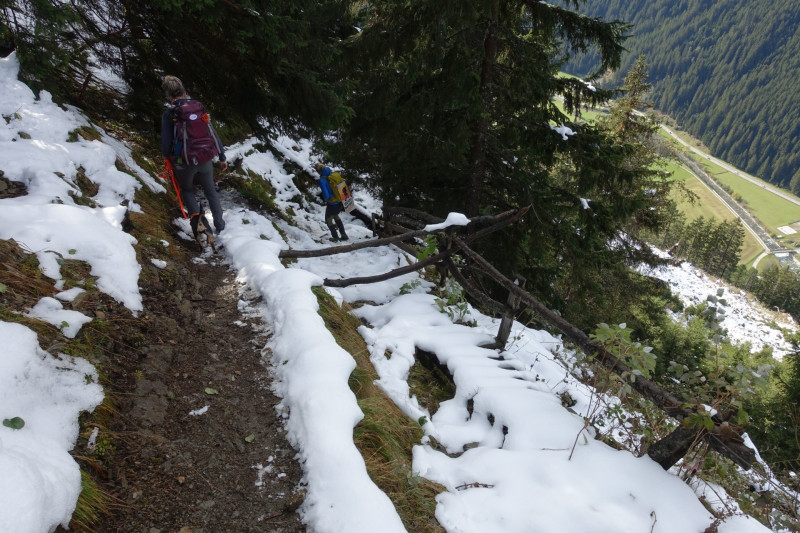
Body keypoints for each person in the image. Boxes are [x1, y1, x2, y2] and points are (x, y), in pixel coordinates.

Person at [160, 75, 227, 235]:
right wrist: (222, 157)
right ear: (184, 92)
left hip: (183, 161)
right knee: (210, 190)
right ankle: (220, 226)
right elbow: (212, 132)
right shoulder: (198, 107)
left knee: (188, 191)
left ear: (169, 96)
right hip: (205, 157)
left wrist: (166, 156)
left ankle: (201, 228)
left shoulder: (170, 114)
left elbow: (166, 141)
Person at [314, 162, 349, 242]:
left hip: (332, 203)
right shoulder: (332, 174)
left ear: (318, 170)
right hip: (340, 200)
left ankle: (335, 237)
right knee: (336, 216)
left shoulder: (322, 180)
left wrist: (326, 198)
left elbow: (326, 195)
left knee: (328, 219)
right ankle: (343, 234)